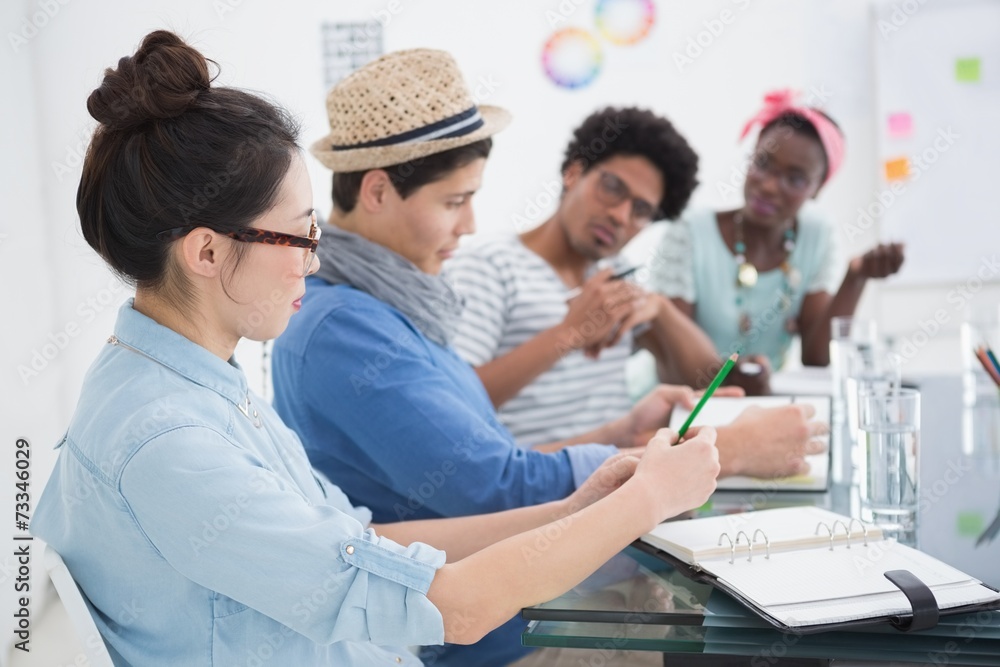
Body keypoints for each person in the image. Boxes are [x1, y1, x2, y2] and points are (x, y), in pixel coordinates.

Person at [30, 31, 722, 667]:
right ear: (207, 251)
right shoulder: (171, 439)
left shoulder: (193, 382)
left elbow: (364, 540)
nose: (314, 256)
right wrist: (646, 499)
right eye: (301, 235)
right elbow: (455, 605)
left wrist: (578, 507)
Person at [271, 50, 826, 667]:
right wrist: (732, 451)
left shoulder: (394, 309)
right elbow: (492, 487)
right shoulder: (347, 329)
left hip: (535, 600)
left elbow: (490, 457)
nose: (470, 224)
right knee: (774, 639)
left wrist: (622, 434)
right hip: (503, 635)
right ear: (376, 191)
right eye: (456, 202)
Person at [443, 106, 819, 444]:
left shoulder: (617, 278)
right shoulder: (489, 265)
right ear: (574, 172)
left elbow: (707, 380)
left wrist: (660, 310)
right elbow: (454, 405)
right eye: (612, 188)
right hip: (537, 494)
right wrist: (568, 334)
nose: (621, 216)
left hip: (624, 485)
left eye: (641, 210)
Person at [649, 89, 905, 372]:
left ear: (817, 188)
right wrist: (735, 380)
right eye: (762, 163)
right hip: (679, 405)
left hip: (764, 404)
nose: (769, 186)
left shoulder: (816, 235)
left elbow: (816, 356)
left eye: (795, 179)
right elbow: (670, 359)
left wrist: (856, 277)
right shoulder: (690, 232)